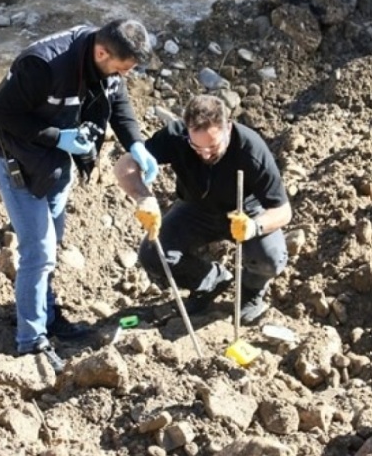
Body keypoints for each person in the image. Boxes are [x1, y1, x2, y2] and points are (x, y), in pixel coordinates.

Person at [0, 19, 159, 372]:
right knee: (39, 250)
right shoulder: (44, 63)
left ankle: (46, 312)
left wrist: (136, 144)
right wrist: (55, 136)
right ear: (102, 52)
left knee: (52, 241)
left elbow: (117, 100)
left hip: (55, 160)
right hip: (15, 154)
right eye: (122, 67)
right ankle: (30, 342)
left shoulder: (104, 62)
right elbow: (1, 115)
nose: (124, 75)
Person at [114, 95, 291, 324]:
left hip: (245, 212)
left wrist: (254, 227)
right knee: (153, 254)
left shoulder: (251, 148)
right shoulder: (175, 136)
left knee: (270, 258)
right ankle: (212, 280)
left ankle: (251, 292)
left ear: (227, 127)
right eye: (197, 146)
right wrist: (143, 197)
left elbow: (283, 211)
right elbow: (125, 164)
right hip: (196, 209)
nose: (205, 154)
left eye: (213, 146)